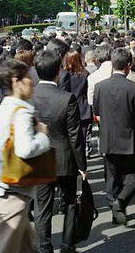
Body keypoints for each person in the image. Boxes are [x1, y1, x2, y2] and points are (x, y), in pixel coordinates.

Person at [0, 59, 51, 253]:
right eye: (28, 78)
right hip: (12, 189)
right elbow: (25, 149)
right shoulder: (21, 114)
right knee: (5, 246)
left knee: (25, 245)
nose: (32, 81)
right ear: (16, 82)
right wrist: (42, 136)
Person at [33, 50, 86, 253]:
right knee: (70, 202)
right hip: (65, 159)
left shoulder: (29, 98)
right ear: (58, 72)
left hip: (39, 158)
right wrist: (82, 165)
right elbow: (75, 135)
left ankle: (44, 247)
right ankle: (67, 244)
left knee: (42, 207)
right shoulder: (66, 98)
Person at [93, 48, 135, 225]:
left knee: (112, 177)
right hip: (130, 140)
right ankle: (121, 201)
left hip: (108, 139)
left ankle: (114, 209)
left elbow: (96, 111)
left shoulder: (100, 87)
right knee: (133, 176)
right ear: (127, 66)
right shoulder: (134, 88)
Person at [64, 50, 92, 154]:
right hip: (83, 108)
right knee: (83, 137)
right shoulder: (85, 74)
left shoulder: (64, 75)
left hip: (69, 109)